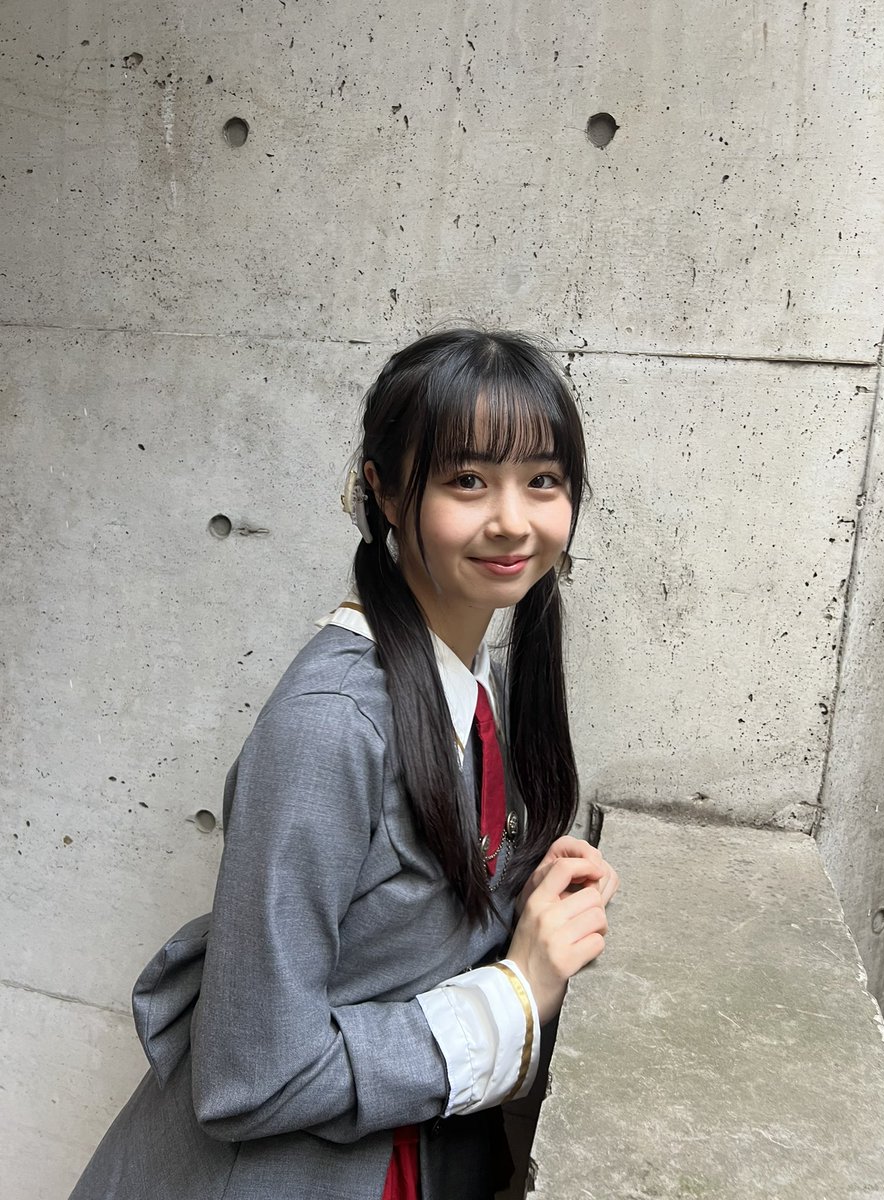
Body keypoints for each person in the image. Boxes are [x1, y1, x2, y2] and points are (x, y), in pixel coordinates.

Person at [69, 327, 619, 1200]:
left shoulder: (483, 683)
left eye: (542, 480)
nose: (513, 519)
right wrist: (517, 996)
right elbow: (251, 1075)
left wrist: (539, 896)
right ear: (385, 491)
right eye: (467, 480)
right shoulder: (331, 728)